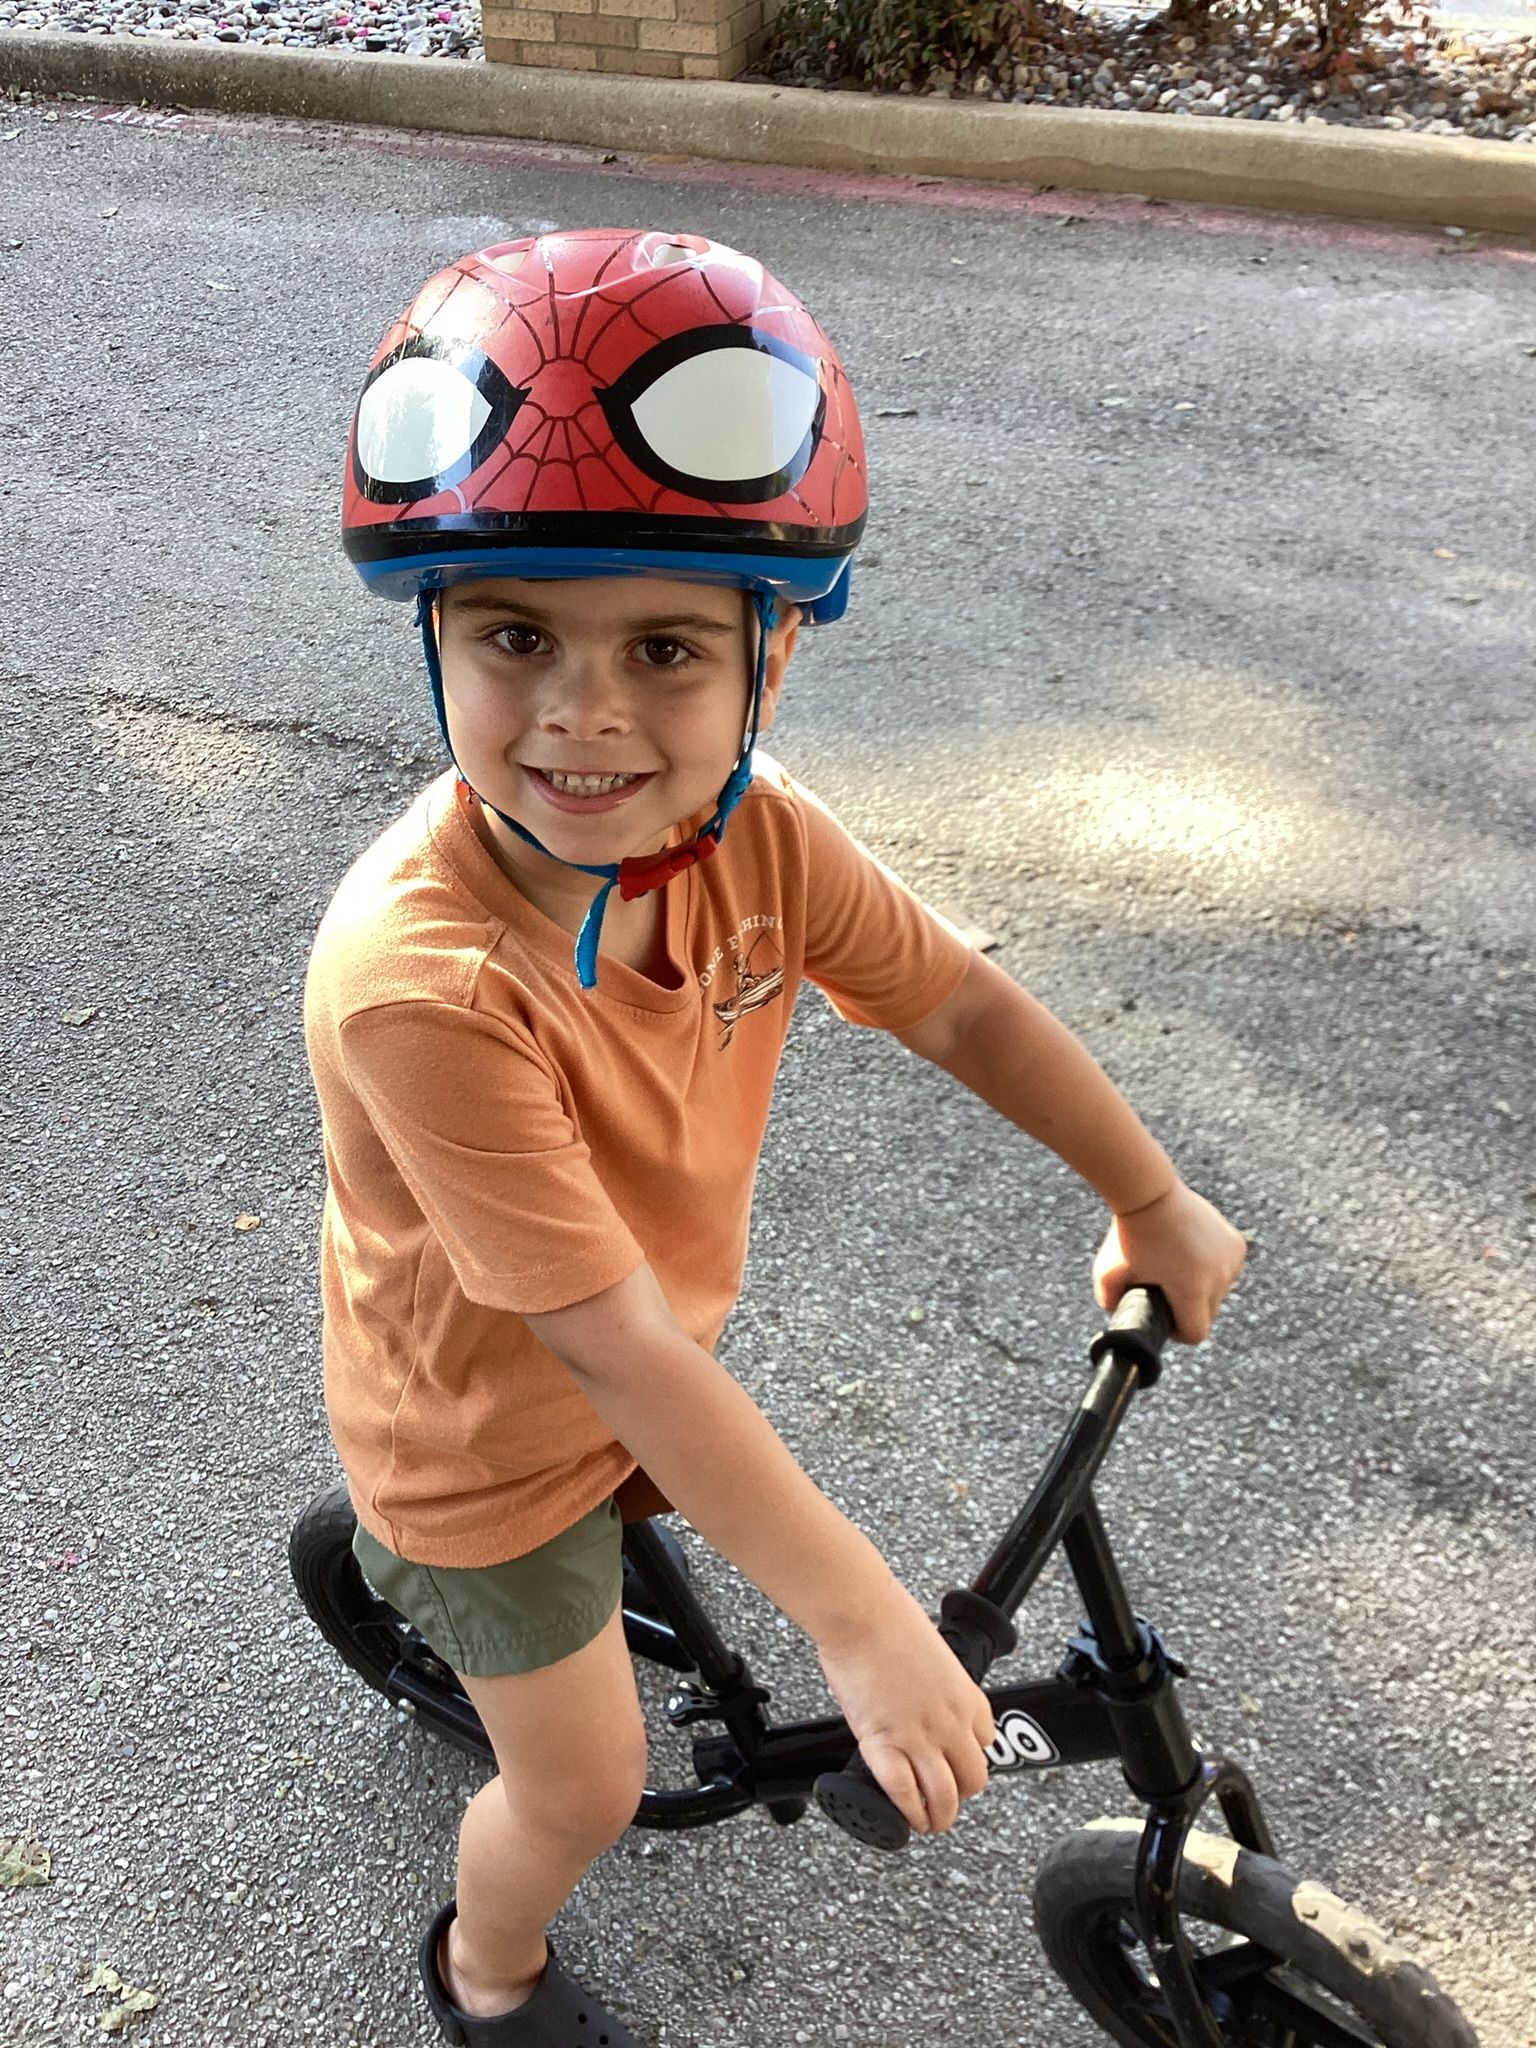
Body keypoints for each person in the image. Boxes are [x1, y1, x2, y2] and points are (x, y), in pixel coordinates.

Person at [305, 227, 1247, 2048]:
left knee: (690, 1492)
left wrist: (1149, 1193)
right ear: (433, 636)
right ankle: (482, 1971)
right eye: (514, 636)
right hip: (483, 1433)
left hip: (634, 1339)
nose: (583, 713)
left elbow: (958, 1003)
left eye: (666, 646)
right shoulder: (419, 985)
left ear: (775, 653)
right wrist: (867, 1620)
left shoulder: (759, 837)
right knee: (582, 1787)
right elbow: (611, 1349)